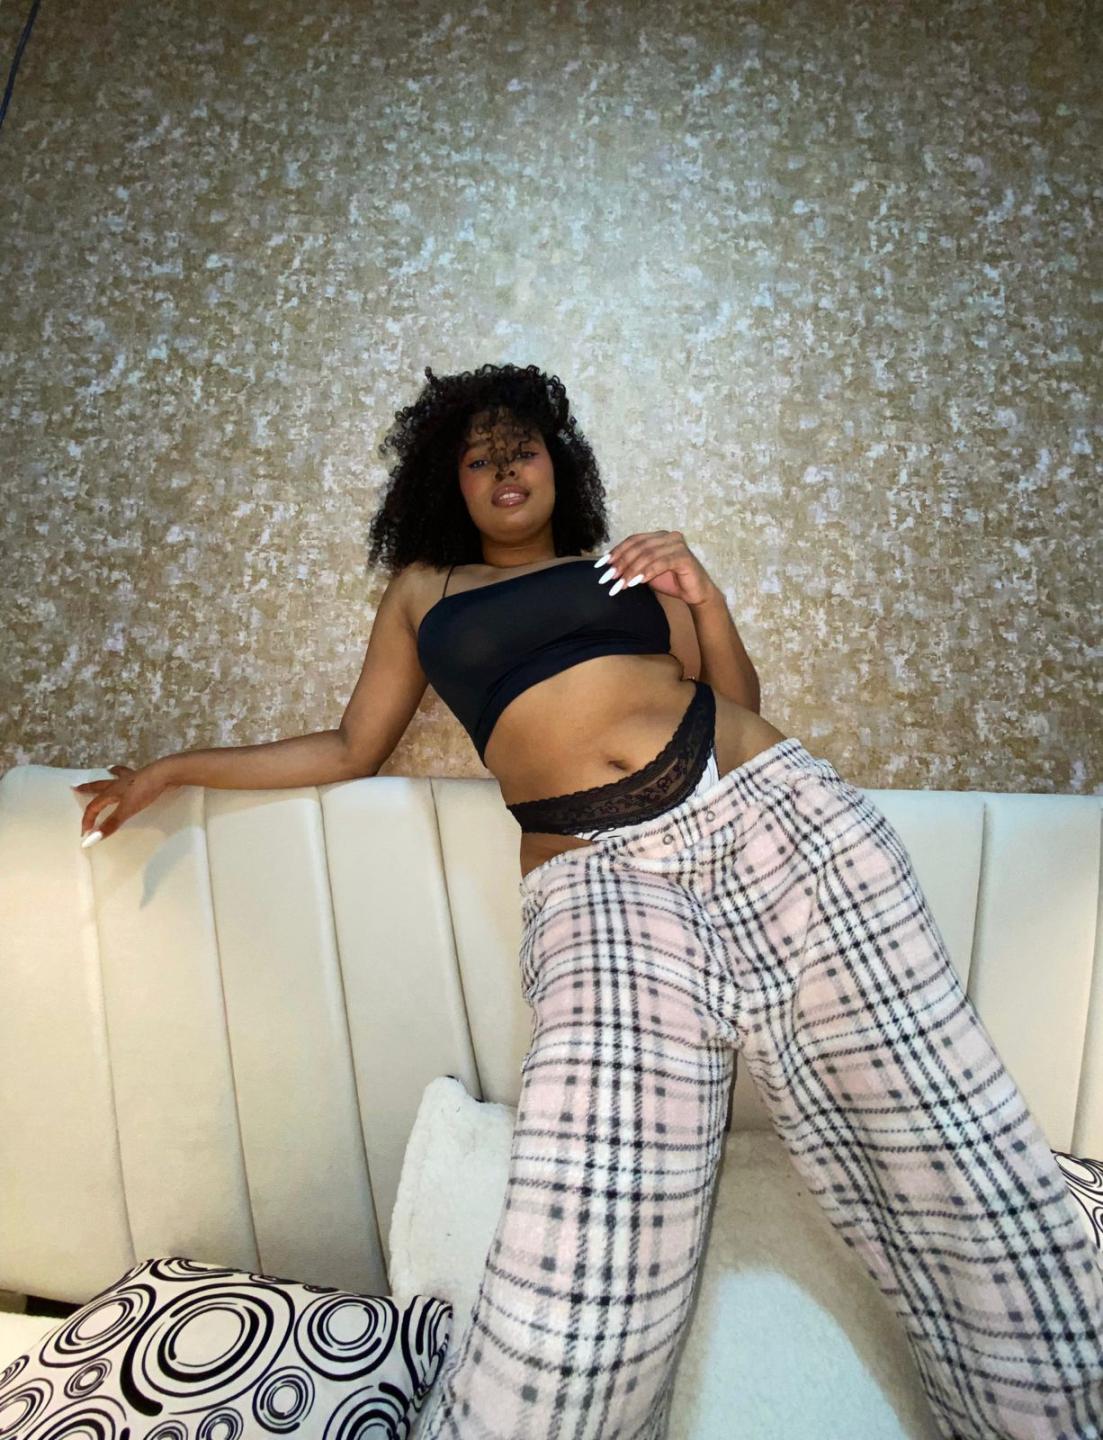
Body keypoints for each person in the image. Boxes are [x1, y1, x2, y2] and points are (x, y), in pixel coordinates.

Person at [74, 363, 1103, 1439]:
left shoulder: (625, 567)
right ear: (449, 485)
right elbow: (348, 746)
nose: (503, 469)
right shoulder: (425, 592)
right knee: (582, 1245)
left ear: (558, 464)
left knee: (948, 1149)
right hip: (599, 883)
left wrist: (704, 592)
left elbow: (735, 698)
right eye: (478, 458)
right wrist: (171, 771)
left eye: (521, 447)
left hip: (774, 820)